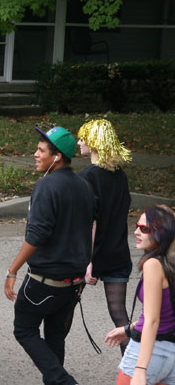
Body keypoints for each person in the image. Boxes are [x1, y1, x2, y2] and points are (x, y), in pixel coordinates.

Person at [5, 126, 96, 385]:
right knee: (55, 337)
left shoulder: (46, 185)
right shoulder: (84, 185)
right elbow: (93, 226)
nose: (35, 154)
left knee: (24, 329)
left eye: (41, 151)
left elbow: (36, 235)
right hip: (73, 282)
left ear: (56, 157)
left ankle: (64, 381)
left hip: (45, 281)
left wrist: (12, 270)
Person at [78, 119, 133, 354]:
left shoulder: (87, 176)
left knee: (63, 308)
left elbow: (91, 222)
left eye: (83, 138)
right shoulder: (120, 176)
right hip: (118, 254)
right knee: (120, 316)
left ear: (93, 143)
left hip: (93, 255)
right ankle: (134, 369)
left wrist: (88, 261)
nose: (79, 142)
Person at [105, 205, 175, 385]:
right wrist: (128, 329)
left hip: (150, 353)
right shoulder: (171, 265)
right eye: (137, 226)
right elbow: (166, 312)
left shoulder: (153, 265)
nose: (136, 231)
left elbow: (153, 320)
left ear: (161, 233)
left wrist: (140, 369)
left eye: (144, 229)